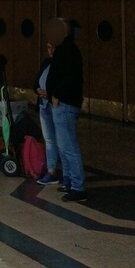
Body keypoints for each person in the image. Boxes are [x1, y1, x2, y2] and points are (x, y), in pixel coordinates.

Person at [44, 17, 86, 202]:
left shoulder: (68, 51)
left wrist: (56, 95)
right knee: (63, 146)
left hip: (65, 104)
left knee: (69, 146)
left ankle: (78, 187)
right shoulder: (63, 50)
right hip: (62, 103)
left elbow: (69, 78)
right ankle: (68, 181)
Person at [34, 40, 60, 186]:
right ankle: (51, 171)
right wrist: (37, 90)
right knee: (49, 139)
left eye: (53, 48)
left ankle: (66, 173)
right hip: (44, 105)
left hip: (55, 105)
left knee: (61, 140)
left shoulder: (62, 65)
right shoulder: (47, 62)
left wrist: (49, 93)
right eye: (48, 48)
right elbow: (36, 81)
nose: (50, 51)